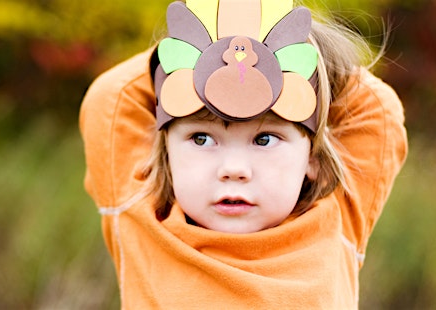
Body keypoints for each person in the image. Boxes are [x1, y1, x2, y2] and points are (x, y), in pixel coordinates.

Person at [79, 0, 407, 308]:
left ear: (314, 158)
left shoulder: (338, 222)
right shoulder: (140, 215)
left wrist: (285, 47)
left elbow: (378, 109)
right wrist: (197, 44)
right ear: (166, 153)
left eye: (264, 139)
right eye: (202, 138)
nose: (234, 170)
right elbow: (109, 99)